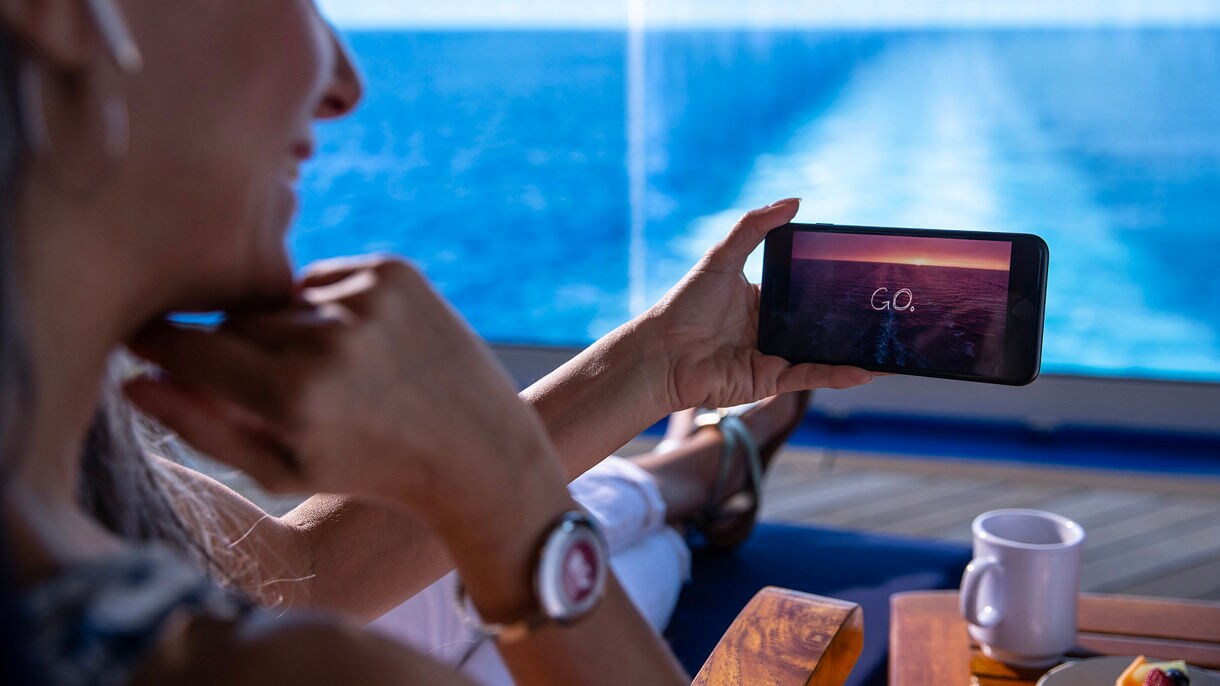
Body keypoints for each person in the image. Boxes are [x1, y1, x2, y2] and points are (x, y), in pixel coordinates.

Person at [0, 1, 874, 684]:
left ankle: (694, 471)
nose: (343, 82)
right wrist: (498, 491)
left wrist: (655, 367)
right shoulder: (274, 671)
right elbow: (317, 613)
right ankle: (708, 469)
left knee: (519, 569)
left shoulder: (65, 460)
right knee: (550, 573)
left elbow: (304, 574)